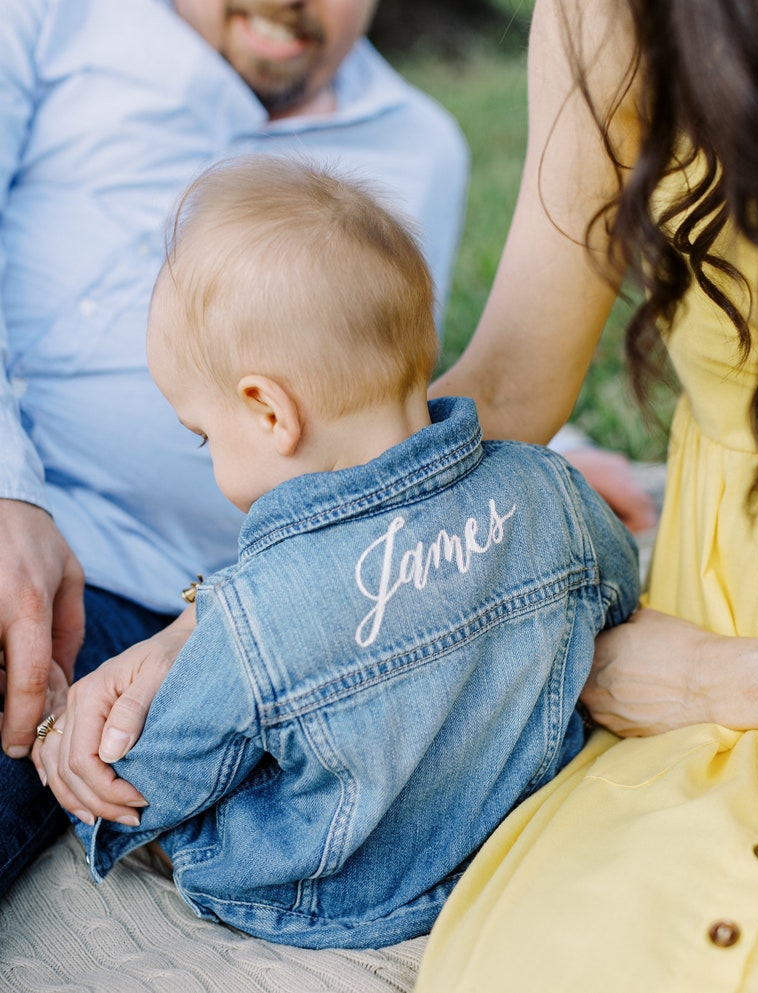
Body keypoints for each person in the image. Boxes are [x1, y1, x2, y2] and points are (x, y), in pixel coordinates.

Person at [35, 157, 639, 949]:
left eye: (203, 434)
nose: (207, 453)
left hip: (328, 897)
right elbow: (618, 586)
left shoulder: (256, 616)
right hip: (518, 837)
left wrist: (57, 733)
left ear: (268, 410)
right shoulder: (548, 488)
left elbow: (147, 781)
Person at [0, 0, 474, 895]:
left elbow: (376, 378)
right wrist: (7, 490)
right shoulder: (51, 19)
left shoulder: (420, 149)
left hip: (177, 596)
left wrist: (502, 432)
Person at [408, 0, 758, 990]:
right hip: (726, 598)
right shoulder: (606, 14)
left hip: (704, 672)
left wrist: (723, 680)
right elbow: (512, 377)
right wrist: (239, 621)